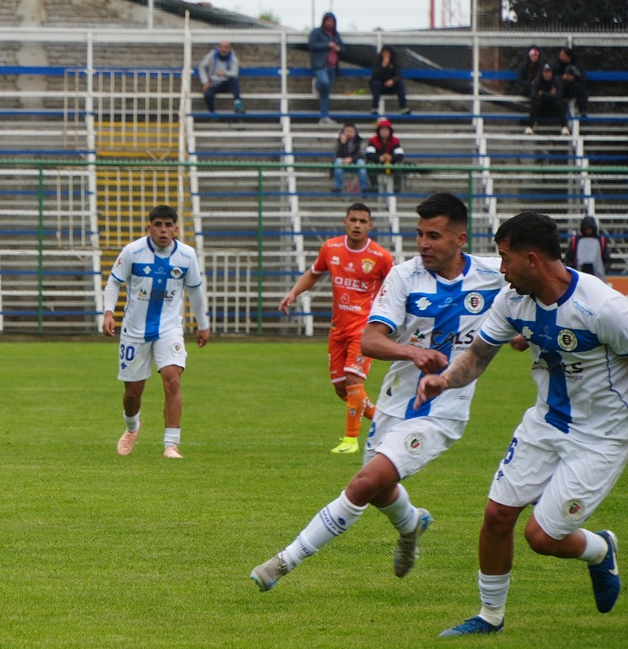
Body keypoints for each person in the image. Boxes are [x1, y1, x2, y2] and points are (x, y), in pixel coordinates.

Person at [250, 193, 506, 593]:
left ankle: (283, 562)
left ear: (460, 239)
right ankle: (411, 524)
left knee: (364, 483)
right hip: (394, 400)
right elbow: (370, 340)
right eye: (419, 234)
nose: (423, 244)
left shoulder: (494, 274)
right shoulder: (405, 276)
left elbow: (545, 286)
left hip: (443, 410)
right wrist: (412, 352)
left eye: (433, 236)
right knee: (380, 489)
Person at [420, 211, 625, 637]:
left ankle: (599, 548)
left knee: (542, 538)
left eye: (505, 258)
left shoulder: (604, 307)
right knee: (497, 515)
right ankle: (489, 616)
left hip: (601, 437)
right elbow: (477, 355)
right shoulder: (512, 300)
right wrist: (444, 380)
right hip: (544, 422)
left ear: (531, 260)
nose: (501, 269)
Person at [278, 203, 392, 454]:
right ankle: (385, 422)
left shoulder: (380, 256)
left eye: (363, 221)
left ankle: (350, 440)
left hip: (364, 328)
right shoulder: (331, 248)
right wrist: (293, 293)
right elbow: (314, 273)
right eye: (353, 220)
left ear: (370, 226)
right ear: (345, 222)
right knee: (341, 388)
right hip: (338, 328)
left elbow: (395, 287)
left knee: (353, 379)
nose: (357, 225)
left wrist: (391, 320)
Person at [103, 204, 210, 459]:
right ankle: (132, 427)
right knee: (132, 393)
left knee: (173, 380)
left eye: (168, 225)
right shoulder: (132, 251)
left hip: (169, 328)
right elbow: (114, 282)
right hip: (134, 330)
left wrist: (203, 325)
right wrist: (108, 313)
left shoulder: (186, 255)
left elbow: (195, 291)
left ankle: (171, 444)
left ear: (175, 229)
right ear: (149, 227)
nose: (163, 230)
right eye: (158, 225)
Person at [309, 12, 344, 126]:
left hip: (332, 67)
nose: (330, 23)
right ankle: (316, 84)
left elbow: (343, 49)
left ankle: (324, 117)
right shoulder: (317, 32)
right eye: (328, 21)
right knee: (324, 82)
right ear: (324, 21)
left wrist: (338, 48)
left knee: (325, 94)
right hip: (321, 65)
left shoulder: (336, 35)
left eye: (332, 21)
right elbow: (312, 45)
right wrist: (327, 45)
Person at [198, 41, 244, 115]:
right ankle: (213, 113)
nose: (223, 49)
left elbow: (235, 73)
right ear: (219, 48)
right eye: (221, 47)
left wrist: (225, 73)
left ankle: (238, 105)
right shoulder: (212, 55)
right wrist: (205, 82)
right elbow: (201, 67)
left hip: (226, 85)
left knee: (234, 80)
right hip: (213, 84)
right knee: (207, 94)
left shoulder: (233, 58)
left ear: (229, 49)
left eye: (226, 47)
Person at [566, 215, 613, 281]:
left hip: (596, 277)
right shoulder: (575, 240)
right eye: (586, 229)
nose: (588, 231)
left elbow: (607, 260)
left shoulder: (601, 241)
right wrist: (573, 272)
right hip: (579, 277)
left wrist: (603, 271)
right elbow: (569, 258)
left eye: (590, 229)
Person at [526, 64, 569, 136]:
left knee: (559, 104)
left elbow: (559, 95)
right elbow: (533, 95)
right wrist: (550, 94)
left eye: (549, 72)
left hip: (553, 109)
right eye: (545, 72)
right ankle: (530, 127)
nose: (547, 74)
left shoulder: (556, 81)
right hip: (541, 108)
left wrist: (543, 94)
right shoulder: (537, 80)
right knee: (535, 104)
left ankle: (564, 127)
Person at [369, 45, 411, 116]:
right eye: (384, 53)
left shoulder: (395, 61)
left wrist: (393, 80)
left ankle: (403, 108)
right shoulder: (377, 61)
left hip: (392, 86)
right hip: (380, 86)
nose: (386, 55)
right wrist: (383, 66)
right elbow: (375, 76)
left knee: (400, 85)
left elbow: (398, 75)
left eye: (387, 53)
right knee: (376, 83)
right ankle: (374, 108)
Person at [365, 119, 404, 192]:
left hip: (391, 165)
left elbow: (400, 154)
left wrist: (391, 158)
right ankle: (374, 186)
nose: (384, 132)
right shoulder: (373, 140)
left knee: (398, 164)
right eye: (382, 129)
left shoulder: (395, 141)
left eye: (386, 130)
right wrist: (379, 158)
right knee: (370, 164)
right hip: (377, 164)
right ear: (379, 131)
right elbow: (369, 154)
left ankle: (396, 187)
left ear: (390, 131)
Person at [331, 123, 370, 194]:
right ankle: (338, 187)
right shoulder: (338, 141)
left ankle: (364, 188)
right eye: (347, 131)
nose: (349, 133)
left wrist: (351, 159)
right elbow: (337, 155)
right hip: (343, 162)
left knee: (361, 162)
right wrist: (342, 143)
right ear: (343, 132)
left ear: (355, 132)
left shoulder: (360, 141)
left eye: (351, 131)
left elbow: (361, 154)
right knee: (338, 161)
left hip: (356, 162)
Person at [556, 47, 588, 118]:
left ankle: (583, 111)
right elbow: (551, 76)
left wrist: (573, 78)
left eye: (563, 55)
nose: (560, 56)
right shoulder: (556, 64)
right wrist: (562, 77)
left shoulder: (577, 64)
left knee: (579, 87)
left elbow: (583, 78)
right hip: (561, 88)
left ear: (568, 56)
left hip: (572, 88)